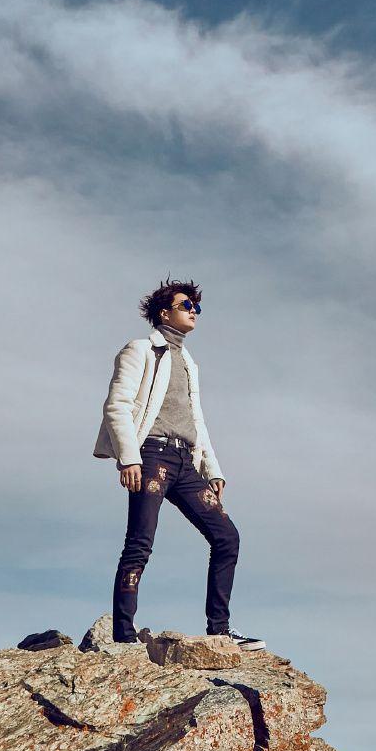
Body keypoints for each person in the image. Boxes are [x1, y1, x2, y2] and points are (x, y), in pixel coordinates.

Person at [93, 277, 263, 650]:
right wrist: (128, 458)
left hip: (186, 461)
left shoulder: (188, 362)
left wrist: (212, 469)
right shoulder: (140, 350)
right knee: (140, 542)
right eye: (187, 305)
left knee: (226, 537)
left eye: (197, 307)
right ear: (164, 312)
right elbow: (117, 405)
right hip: (151, 455)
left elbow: (196, 420)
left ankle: (219, 631)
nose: (194, 312)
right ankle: (123, 634)